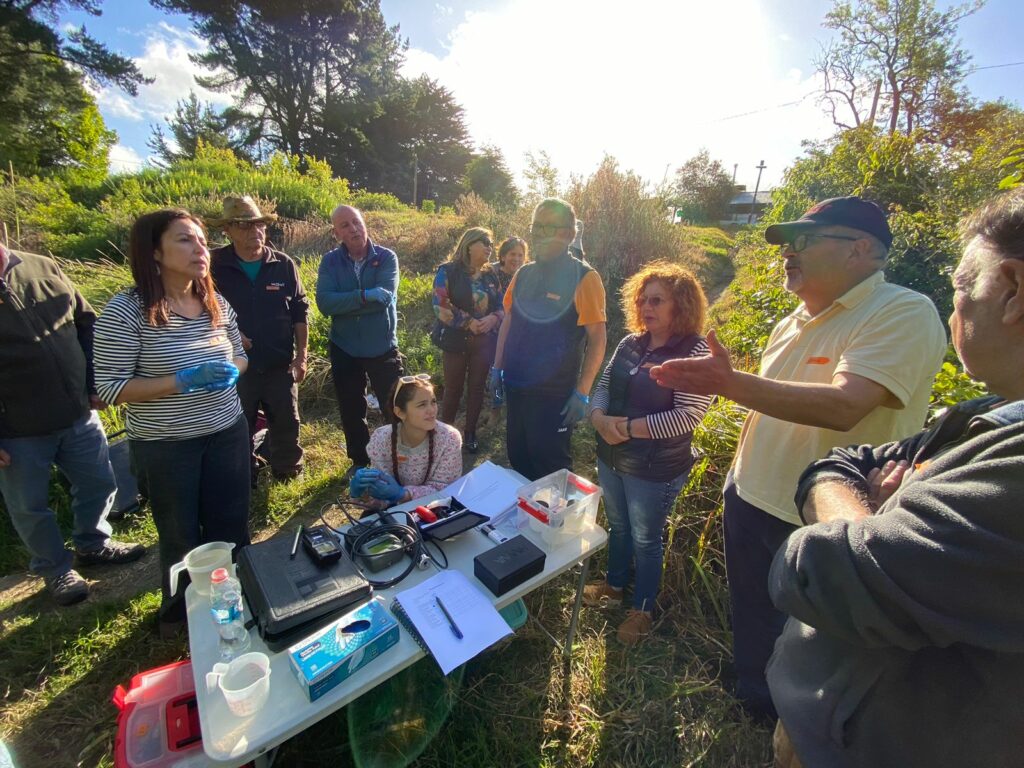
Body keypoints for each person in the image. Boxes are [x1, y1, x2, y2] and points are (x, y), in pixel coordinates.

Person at [650, 196, 946, 719]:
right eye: (787, 242)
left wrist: (732, 384)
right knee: (753, 610)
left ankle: (801, 725)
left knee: (813, 635)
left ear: (861, 250)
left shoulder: (903, 311)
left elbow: (846, 405)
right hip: (751, 494)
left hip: (819, 517)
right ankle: (755, 700)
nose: (788, 252)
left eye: (804, 240)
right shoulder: (792, 321)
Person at [767, 188, 1024, 768]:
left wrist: (854, 522)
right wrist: (865, 514)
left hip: (888, 741)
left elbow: (832, 570)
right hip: (844, 713)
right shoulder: (984, 417)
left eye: (961, 285)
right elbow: (842, 462)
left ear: (1012, 290)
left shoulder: (904, 312)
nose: (954, 303)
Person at [93, 209, 250, 637]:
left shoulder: (215, 302)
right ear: (154, 253)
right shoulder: (127, 312)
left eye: (201, 240)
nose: (201, 249)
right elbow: (108, 388)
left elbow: (239, 351)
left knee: (232, 523)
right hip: (167, 445)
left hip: (227, 431)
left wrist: (235, 367)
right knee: (180, 534)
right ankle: (182, 617)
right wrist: (178, 381)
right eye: (185, 240)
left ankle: (240, 600)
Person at [0, 243, 144, 606]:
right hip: (15, 428)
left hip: (77, 410)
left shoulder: (40, 265)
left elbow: (85, 323)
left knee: (99, 482)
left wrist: (96, 380)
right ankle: (55, 568)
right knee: (30, 505)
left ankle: (93, 543)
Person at [583, 262, 713, 645]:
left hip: (654, 468)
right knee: (619, 527)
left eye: (657, 300)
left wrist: (625, 428)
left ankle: (642, 609)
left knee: (646, 538)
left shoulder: (696, 350)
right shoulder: (630, 343)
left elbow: (689, 415)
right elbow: (605, 384)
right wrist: (597, 416)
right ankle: (614, 586)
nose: (646, 307)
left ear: (682, 305)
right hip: (611, 458)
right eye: (642, 299)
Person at [491, 198, 607, 481]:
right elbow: (509, 320)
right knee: (519, 460)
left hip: (554, 396)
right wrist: (497, 368)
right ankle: (525, 524)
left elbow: (597, 338)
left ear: (568, 234)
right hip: (516, 386)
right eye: (536, 227)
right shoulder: (524, 272)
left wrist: (582, 391)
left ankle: (554, 526)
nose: (540, 234)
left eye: (549, 227)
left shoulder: (584, 277)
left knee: (550, 473)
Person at [209, 195, 309, 483]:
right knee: (239, 425)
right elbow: (201, 309)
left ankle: (287, 472)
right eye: (243, 226)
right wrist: (230, 332)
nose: (254, 232)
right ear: (226, 230)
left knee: (287, 421)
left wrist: (301, 356)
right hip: (236, 367)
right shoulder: (215, 265)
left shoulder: (283, 264)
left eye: (259, 225)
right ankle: (244, 475)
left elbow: (300, 310)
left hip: (279, 363)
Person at [317, 205, 403, 480]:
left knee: (396, 405)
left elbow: (386, 297)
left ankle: (402, 458)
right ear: (336, 232)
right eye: (345, 225)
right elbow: (325, 303)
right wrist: (366, 296)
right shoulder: (330, 262)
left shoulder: (387, 257)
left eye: (356, 222)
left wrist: (347, 302)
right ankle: (359, 459)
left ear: (364, 223)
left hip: (382, 345)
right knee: (351, 406)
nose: (353, 229)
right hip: (345, 347)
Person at [431, 228, 505, 453]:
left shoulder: (491, 275)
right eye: (484, 242)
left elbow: (502, 305)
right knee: (453, 388)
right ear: (469, 245)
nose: (489, 247)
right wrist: (468, 322)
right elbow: (440, 304)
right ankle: (444, 434)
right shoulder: (448, 271)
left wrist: (494, 318)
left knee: (476, 388)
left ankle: (470, 432)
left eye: (490, 243)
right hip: (455, 341)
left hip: (483, 342)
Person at [348, 374, 462, 506]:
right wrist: (360, 494)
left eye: (433, 402)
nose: (431, 410)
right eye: (422, 405)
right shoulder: (381, 440)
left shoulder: (449, 438)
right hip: (395, 510)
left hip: (436, 508)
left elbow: (446, 492)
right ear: (400, 412)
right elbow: (381, 500)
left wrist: (404, 494)